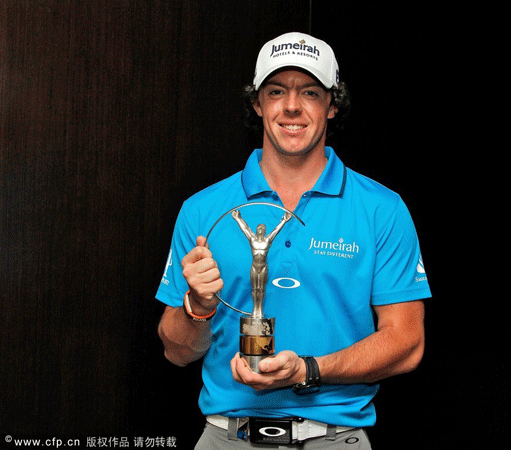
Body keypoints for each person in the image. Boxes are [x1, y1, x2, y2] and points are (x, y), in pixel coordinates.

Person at [156, 32, 431, 449]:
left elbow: (407, 343)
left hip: (335, 439)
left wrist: (309, 370)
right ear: (257, 103)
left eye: (310, 92)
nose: (291, 106)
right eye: (276, 91)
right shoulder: (203, 210)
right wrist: (197, 306)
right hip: (225, 436)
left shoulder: (381, 209)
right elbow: (177, 352)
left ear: (333, 105)